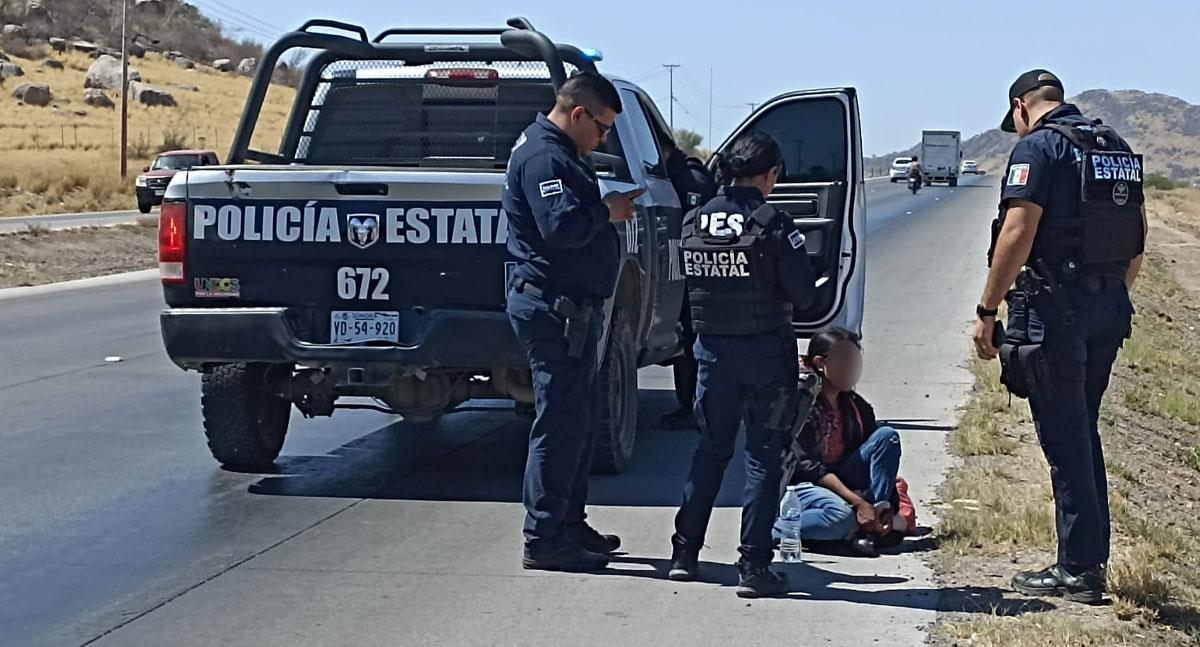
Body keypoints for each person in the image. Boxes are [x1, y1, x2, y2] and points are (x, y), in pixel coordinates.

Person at [973, 69, 1147, 604]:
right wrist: (1110, 292)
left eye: (1016, 120)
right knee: (1081, 429)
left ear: (1021, 106)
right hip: (1107, 306)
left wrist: (987, 309)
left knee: (1065, 436)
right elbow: (1136, 233)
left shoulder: (1039, 151)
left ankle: (1079, 569)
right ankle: (1089, 556)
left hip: (1056, 311)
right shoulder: (1112, 146)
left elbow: (1018, 232)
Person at [503, 70, 642, 573]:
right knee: (559, 424)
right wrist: (606, 213)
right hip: (552, 309)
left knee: (578, 421)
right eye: (601, 127)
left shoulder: (563, 152)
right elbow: (559, 226)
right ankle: (543, 538)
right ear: (578, 113)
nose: (602, 138)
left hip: (572, 310)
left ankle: (567, 522)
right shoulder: (545, 155)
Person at [668, 131, 816, 598]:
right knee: (762, 459)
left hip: (711, 357)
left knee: (710, 453)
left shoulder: (693, 220)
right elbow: (804, 294)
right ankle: (753, 567)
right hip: (765, 360)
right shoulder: (774, 224)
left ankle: (683, 555)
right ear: (769, 174)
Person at [776, 330, 903, 558]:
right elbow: (810, 468)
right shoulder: (800, 407)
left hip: (845, 479)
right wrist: (857, 503)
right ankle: (774, 529)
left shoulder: (856, 406)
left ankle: (872, 522)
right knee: (841, 518)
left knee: (887, 436)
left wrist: (881, 506)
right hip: (805, 485)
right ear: (820, 363)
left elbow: (876, 459)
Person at [659, 140, 717, 431]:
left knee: (692, 347)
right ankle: (693, 406)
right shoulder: (686, 175)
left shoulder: (690, 179)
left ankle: (695, 408)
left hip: (692, 276)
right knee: (689, 346)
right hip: (688, 274)